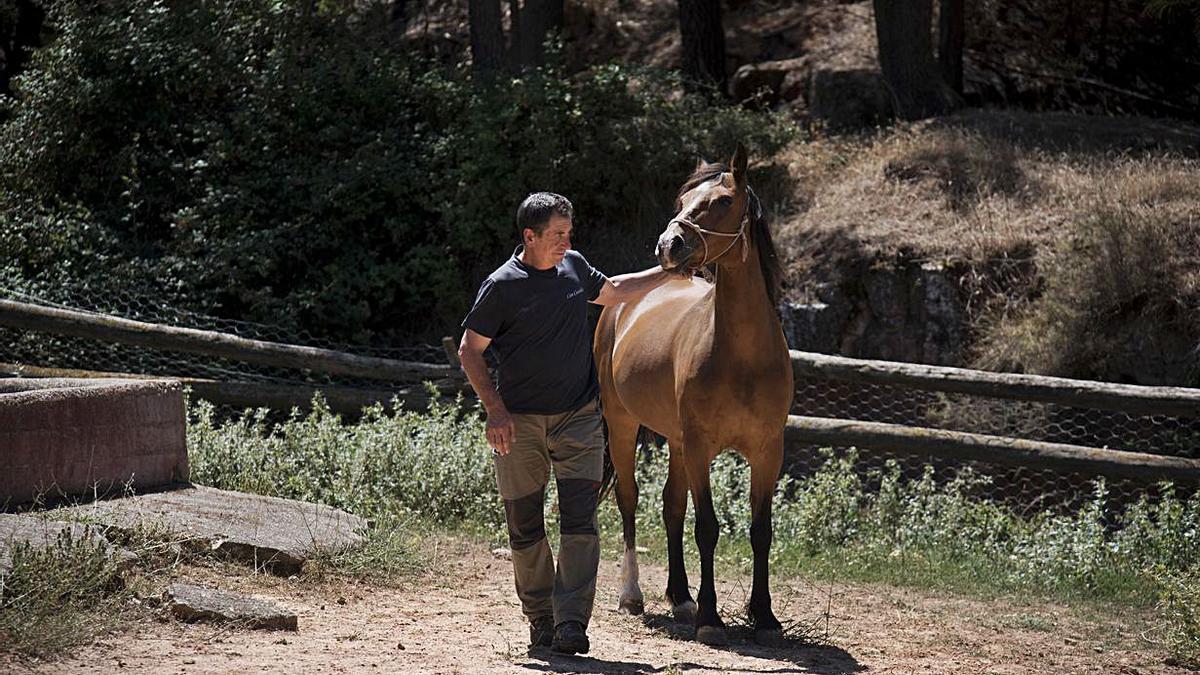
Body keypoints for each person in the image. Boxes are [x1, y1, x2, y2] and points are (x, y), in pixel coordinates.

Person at [457, 192, 679, 655]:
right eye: (557, 234)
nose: (565, 241)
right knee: (525, 526)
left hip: (578, 417)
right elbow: (469, 351)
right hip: (518, 425)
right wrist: (495, 411)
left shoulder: (573, 267)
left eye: (568, 233)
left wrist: (671, 272)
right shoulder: (502, 286)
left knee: (581, 522)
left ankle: (572, 622)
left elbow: (615, 291)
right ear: (529, 236)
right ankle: (540, 619)